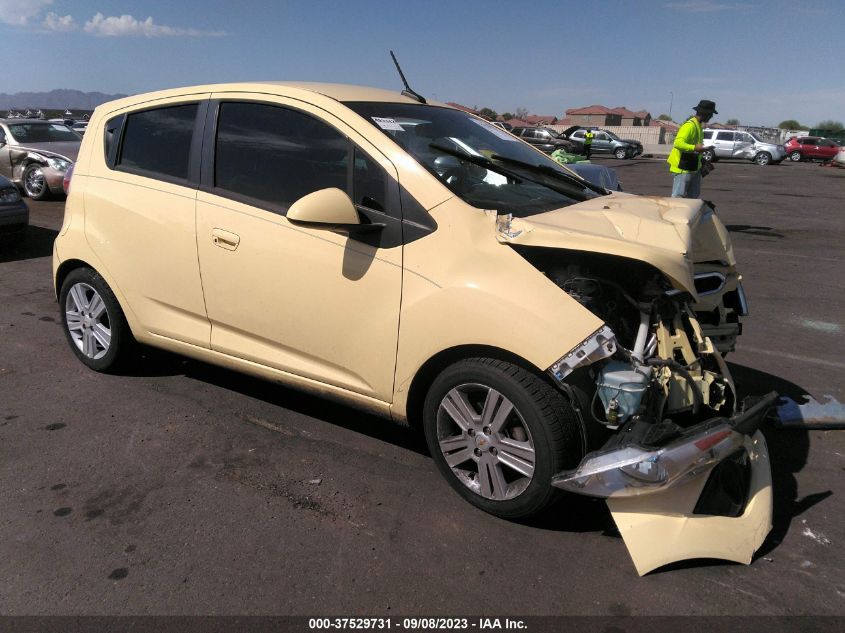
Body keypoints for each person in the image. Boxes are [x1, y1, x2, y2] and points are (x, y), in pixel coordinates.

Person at [668, 99, 717, 198]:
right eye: (711, 114)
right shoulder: (689, 126)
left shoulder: (698, 126)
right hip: (683, 168)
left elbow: (696, 148)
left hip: (693, 167)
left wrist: (702, 160)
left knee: (693, 196)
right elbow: (677, 143)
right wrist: (694, 147)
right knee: (678, 198)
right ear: (704, 113)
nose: (711, 116)